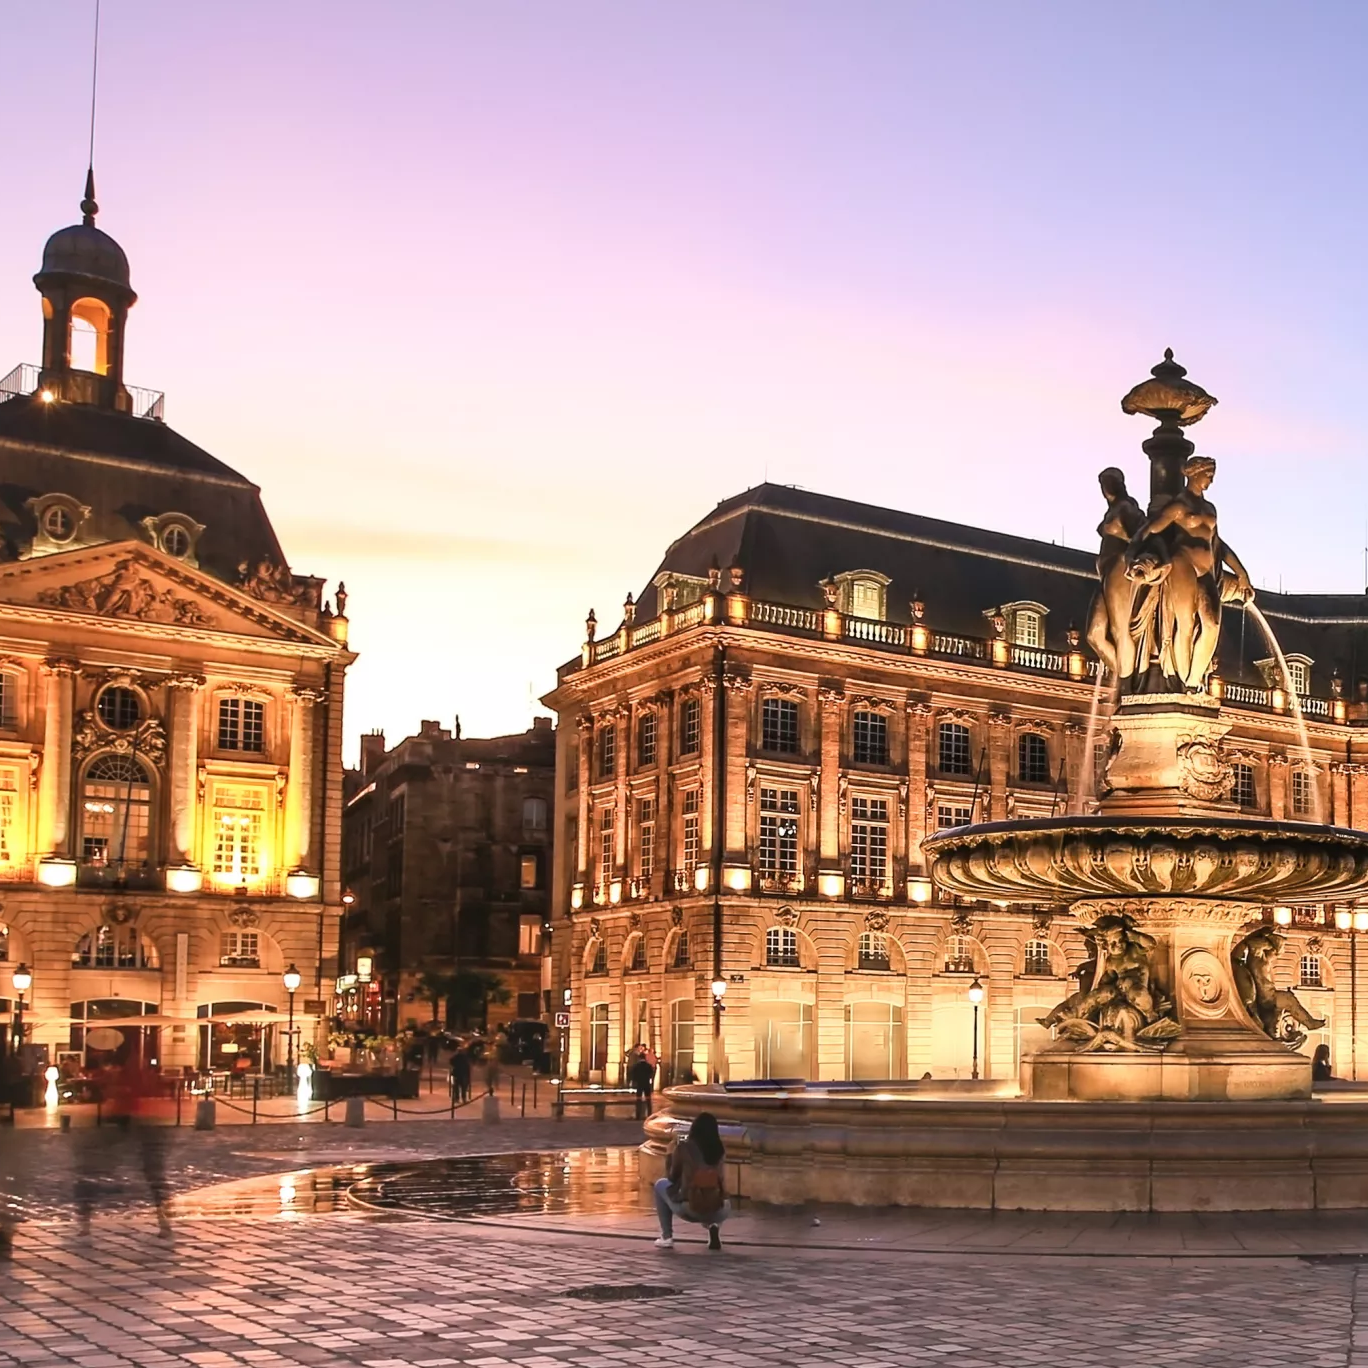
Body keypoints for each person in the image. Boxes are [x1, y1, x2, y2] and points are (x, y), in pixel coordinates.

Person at [653, 1111, 731, 1251]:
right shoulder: (720, 1150)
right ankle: (714, 1225)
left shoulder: (684, 1148)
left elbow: (671, 1177)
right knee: (718, 1198)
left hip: (691, 1207)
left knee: (660, 1185)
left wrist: (670, 1154)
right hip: (719, 1209)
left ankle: (667, 1237)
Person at [629, 1046, 654, 1119]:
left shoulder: (636, 1066)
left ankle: (638, 1115)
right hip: (646, 1084)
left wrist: (634, 1082)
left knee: (638, 1099)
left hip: (639, 1084)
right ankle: (649, 1114)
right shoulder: (648, 1066)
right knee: (648, 1100)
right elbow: (651, 1074)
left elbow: (633, 1075)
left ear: (639, 1058)